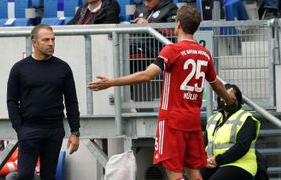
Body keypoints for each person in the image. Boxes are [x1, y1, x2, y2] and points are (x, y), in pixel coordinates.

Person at [89, 5, 236, 180]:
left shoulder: (172, 50)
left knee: (174, 173)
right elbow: (217, 85)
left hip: (172, 120)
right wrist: (230, 100)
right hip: (193, 120)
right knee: (194, 173)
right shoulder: (204, 54)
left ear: (178, 24)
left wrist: (111, 82)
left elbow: (146, 75)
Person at [7, 24, 81, 180]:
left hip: (54, 130)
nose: (51, 43)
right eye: (46, 40)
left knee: (49, 176)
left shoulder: (63, 68)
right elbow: (12, 101)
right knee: (24, 176)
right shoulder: (19, 68)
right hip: (29, 129)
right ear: (34, 42)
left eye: (53, 39)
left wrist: (75, 132)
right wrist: (20, 128)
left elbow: (71, 102)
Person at [201, 83, 261, 180]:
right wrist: (204, 160)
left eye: (231, 99)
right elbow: (203, 145)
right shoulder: (213, 119)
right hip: (215, 163)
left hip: (241, 164)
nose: (227, 102)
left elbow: (242, 147)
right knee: (194, 176)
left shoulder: (246, 118)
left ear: (238, 101)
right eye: (224, 98)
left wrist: (217, 160)